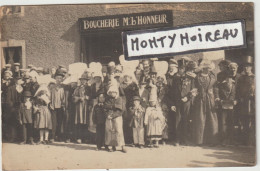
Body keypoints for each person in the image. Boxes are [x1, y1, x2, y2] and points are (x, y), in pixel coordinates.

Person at [192, 59, 219, 146]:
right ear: (202, 68)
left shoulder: (213, 76)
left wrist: (217, 97)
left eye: (208, 68)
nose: (207, 69)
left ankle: (213, 140)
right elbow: (194, 88)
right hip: (200, 99)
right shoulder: (197, 77)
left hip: (210, 99)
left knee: (212, 119)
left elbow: (215, 88)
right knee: (200, 119)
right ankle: (199, 141)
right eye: (205, 68)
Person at [170, 59, 196, 146]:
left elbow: (194, 90)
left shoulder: (190, 78)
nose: (181, 70)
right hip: (177, 102)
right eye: (180, 68)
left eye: (182, 68)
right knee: (177, 120)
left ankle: (184, 139)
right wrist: (172, 103)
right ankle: (177, 139)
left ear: (185, 69)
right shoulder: (175, 78)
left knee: (185, 120)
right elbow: (172, 92)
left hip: (186, 102)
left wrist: (188, 97)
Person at [236, 56, 255, 146]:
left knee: (251, 121)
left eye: (248, 66)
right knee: (243, 121)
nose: (246, 68)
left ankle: (251, 141)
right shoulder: (240, 78)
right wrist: (239, 98)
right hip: (243, 102)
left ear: (251, 67)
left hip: (252, 103)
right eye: (244, 66)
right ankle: (244, 140)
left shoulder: (254, 78)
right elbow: (238, 90)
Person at [104, 85, 127, 153]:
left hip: (117, 116)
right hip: (109, 116)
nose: (112, 93)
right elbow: (105, 108)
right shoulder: (107, 99)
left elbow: (120, 109)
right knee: (110, 130)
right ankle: (112, 146)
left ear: (116, 92)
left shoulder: (119, 99)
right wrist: (107, 115)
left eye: (114, 92)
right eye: (111, 92)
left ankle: (122, 145)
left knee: (119, 131)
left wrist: (113, 114)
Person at [218, 74, 236, 146]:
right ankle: (223, 140)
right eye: (227, 78)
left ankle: (231, 140)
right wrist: (220, 100)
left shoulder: (234, 86)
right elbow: (218, 95)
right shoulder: (221, 86)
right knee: (223, 123)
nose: (229, 80)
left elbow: (236, 94)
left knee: (231, 123)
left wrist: (236, 100)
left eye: (230, 78)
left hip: (231, 106)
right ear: (225, 79)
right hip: (224, 106)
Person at [72, 72, 91, 144]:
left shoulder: (89, 88)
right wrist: (79, 98)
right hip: (79, 106)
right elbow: (73, 97)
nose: (83, 81)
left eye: (85, 80)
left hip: (86, 106)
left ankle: (85, 138)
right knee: (79, 121)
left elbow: (92, 96)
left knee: (86, 121)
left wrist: (87, 97)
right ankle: (79, 137)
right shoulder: (77, 88)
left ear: (87, 81)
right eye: (82, 80)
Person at [6, 76, 24, 142]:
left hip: (21, 108)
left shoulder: (22, 88)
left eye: (20, 80)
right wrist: (12, 107)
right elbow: (8, 99)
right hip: (13, 108)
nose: (20, 81)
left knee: (20, 122)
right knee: (13, 123)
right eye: (18, 79)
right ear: (16, 80)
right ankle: (13, 138)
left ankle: (20, 138)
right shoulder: (10, 88)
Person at [49, 69, 66, 142]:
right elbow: (49, 96)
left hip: (61, 107)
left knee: (60, 122)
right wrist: (50, 104)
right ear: (55, 78)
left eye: (60, 78)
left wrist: (63, 105)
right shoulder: (52, 87)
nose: (59, 79)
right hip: (53, 106)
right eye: (57, 78)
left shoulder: (64, 87)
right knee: (53, 122)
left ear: (62, 79)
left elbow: (64, 97)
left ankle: (59, 136)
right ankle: (52, 137)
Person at [156, 76, 169, 145]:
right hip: (156, 105)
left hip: (164, 105)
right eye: (158, 80)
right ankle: (157, 138)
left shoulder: (166, 88)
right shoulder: (155, 87)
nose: (160, 82)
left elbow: (168, 96)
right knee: (156, 121)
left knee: (164, 121)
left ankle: (164, 138)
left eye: (161, 80)